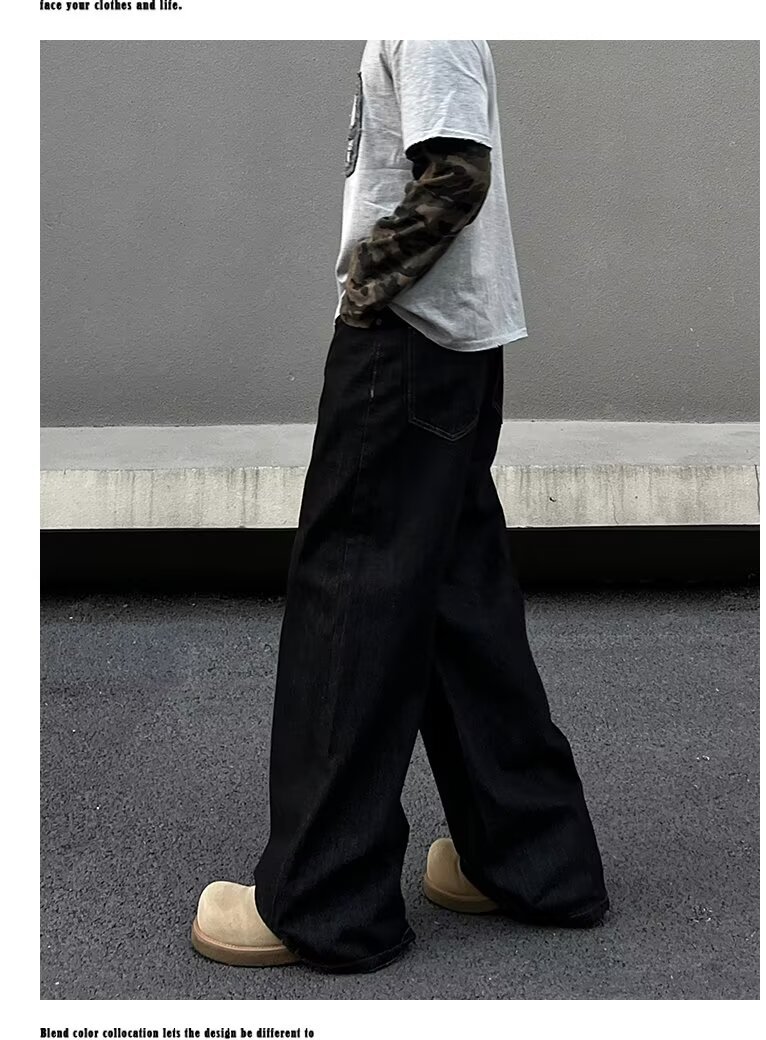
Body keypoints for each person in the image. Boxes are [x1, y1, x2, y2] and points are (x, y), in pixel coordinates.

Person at [191, 39, 608, 975]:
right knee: (459, 608)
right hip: (447, 351)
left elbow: (454, 176)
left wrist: (366, 289)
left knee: (350, 602)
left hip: (407, 345)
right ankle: (531, 860)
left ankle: (322, 901)